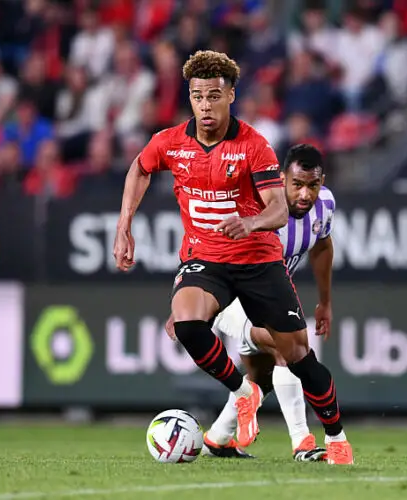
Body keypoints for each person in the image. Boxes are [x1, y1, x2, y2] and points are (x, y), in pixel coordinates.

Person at [113, 50, 353, 464]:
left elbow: (279, 209)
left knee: (296, 356)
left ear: (231, 96)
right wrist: (124, 226)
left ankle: (336, 438)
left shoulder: (253, 146)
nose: (206, 105)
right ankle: (244, 394)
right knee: (187, 322)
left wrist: (252, 223)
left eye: (214, 96)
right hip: (206, 258)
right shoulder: (170, 142)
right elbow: (140, 167)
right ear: (190, 98)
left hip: (258, 260)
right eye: (198, 96)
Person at [198, 144, 336, 462]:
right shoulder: (252, 207)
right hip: (230, 298)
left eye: (312, 185)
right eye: (296, 185)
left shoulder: (325, 204)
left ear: (321, 181)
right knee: (283, 345)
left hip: (268, 301)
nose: (304, 195)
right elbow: (208, 252)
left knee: (261, 379)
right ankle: (302, 441)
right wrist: (185, 306)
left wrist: (325, 302)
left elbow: (322, 247)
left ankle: (217, 439)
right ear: (281, 178)